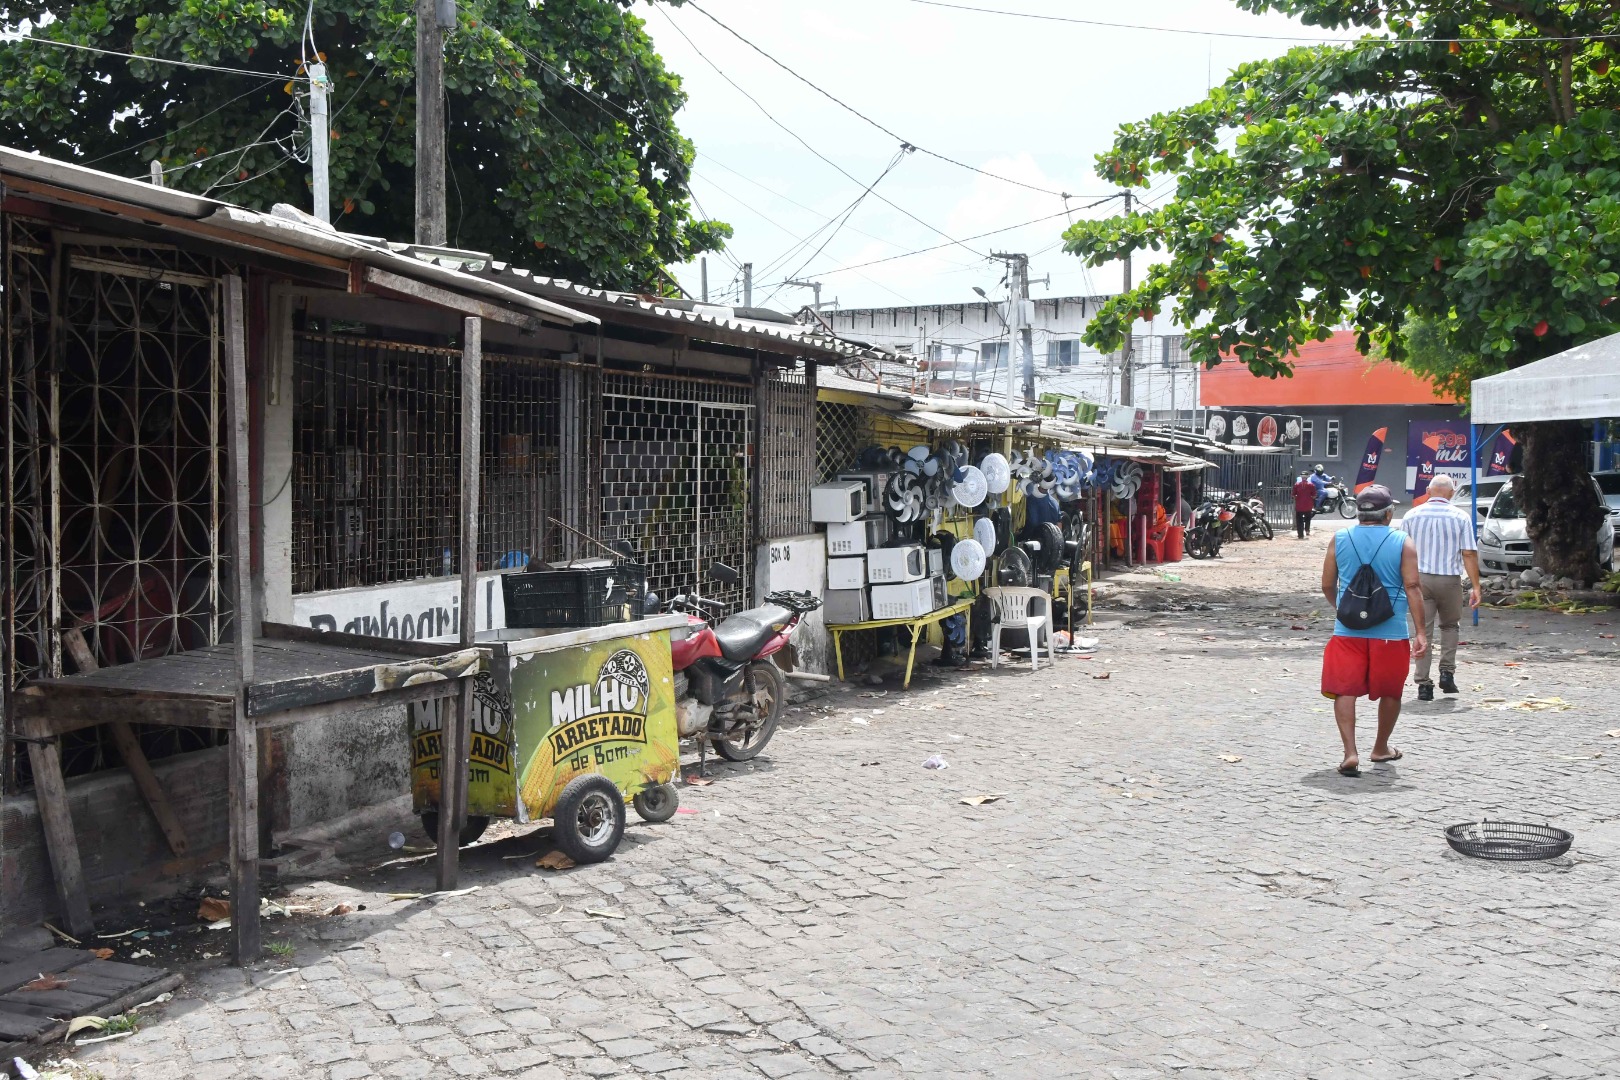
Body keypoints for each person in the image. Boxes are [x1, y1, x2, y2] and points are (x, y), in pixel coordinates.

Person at [1320, 485, 1427, 776]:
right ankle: (1380, 748)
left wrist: (1343, 609)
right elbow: (1413, 586)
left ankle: (1350, 753)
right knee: (1391, 691)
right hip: (1390, 632)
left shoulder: (1339, 539)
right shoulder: (1403, 542)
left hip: (1347, 631)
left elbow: (1328, 585)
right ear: (1389, 513)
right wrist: (1420, 632)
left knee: (1345, 690)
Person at [1398, 474, 1482, 700]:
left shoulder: (1411, 515)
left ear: (1428, 490)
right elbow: (1469, 553)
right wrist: (1475, 585)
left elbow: (1402, 551)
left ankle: (1423, 684)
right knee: (1450, 626)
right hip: (1450, 580)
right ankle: (1447, 672)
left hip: (1419, 581)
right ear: (1452, 493)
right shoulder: (1460, 517)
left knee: (1422, 630)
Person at [1292, 473, 1318, 539]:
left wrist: (1297, 497)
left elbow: (1293, 495)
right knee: (1308, 519)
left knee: (1299, 520)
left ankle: (1300, 535)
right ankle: (1307, 530)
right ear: (1307, 477)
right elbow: (1314, 495)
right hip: (1308, 505)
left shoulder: (1297, 485)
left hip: (1299, 506)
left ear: (1301, 477)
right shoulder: (1311, 485)